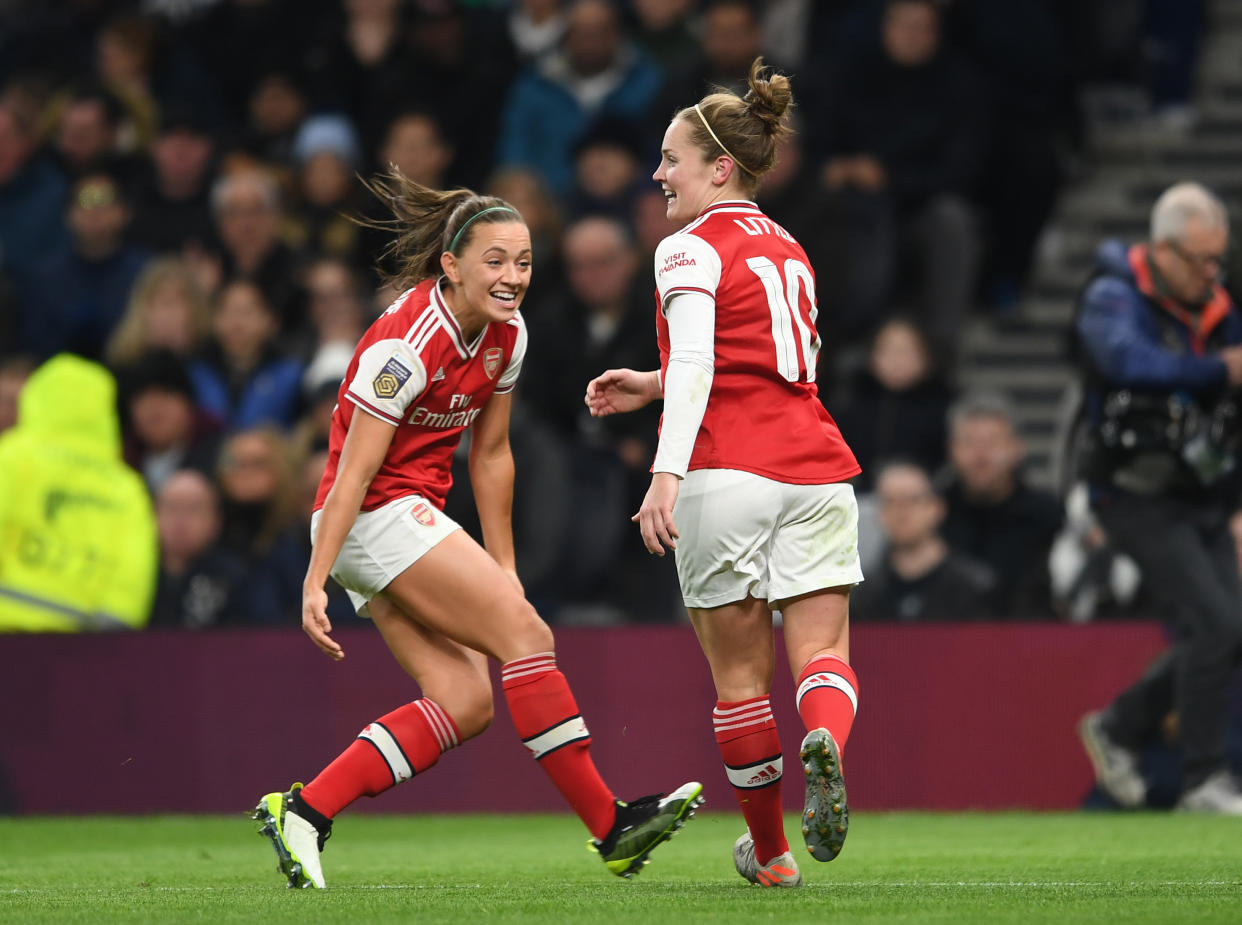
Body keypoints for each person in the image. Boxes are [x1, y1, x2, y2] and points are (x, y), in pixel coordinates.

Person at [252, 168, 701, 890]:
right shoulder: (405, 345)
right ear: (452, 266)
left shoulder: (507, 336)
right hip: (370, 515)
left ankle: (305, 809)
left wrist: (506, 567)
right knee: (529, 640)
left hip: (396, 520)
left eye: (523, 262)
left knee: (465, 702)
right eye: (495, 260)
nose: (513, 276)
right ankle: (610, 826)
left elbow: (492, 456)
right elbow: (350, 475)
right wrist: (314, 581)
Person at [585, 58, 863, 888]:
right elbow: (774, 361)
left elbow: (708, 360)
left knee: (741, 681)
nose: (658, 173)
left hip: (723, 471)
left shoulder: (684, 247)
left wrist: (664, 474)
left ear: (719, 168)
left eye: (671, 159)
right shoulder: (789, 246)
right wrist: (652, 379)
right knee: (823, 650)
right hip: (815, 465)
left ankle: (774, 856)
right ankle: (827, 742)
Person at [1074, 182, 1242, 814]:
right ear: (1162, 250)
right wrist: (1219, 368)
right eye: (1199, 260)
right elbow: (1127, 362)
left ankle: (1119, 727)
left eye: (1216, 260)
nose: (1210, 274)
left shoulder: (1218, 303)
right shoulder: (1113, 295)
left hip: (1202, 490)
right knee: (1217, 622)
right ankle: (1203, 780)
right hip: (1132, 491)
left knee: (1232, 628)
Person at [0, 354, 157, 632]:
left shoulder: (11, 458)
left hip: (10, 631)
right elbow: (134, 569)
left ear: (36, 398)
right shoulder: (125, 484)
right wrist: (116, 629)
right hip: (88, 644)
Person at [938, 389, 1063, 615]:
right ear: (952, 450)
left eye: (992, 443)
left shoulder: (1049, 517)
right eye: (969, 443)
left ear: (1017, 449)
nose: (981, 456)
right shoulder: (932, 516)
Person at [851, 459, 996, 622]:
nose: (901, 513)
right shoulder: (862, 595)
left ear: (937, 508)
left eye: (912, 500)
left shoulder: (974, 586)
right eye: (890, 501)